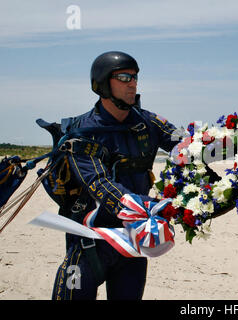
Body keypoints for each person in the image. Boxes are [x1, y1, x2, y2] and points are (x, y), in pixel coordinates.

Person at [51, 51, 181, 300]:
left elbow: (189, 146)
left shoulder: (149, 123)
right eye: (123, 77)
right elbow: (99, 184)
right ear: (101, 83)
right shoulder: (82, 133)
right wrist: (152, 207)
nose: (132, 83)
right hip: (89, 244)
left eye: (134, 77)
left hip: (134, 244)